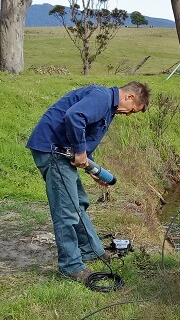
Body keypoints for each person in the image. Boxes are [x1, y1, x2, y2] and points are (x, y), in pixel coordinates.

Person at [26, 81, 150, 285]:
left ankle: (92, 251)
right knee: (66, 210)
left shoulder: (108, 107)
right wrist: (80, 151)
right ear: (129, 97)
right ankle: (70, 266)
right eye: (132, 111)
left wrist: (90, 166)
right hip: (54, 151)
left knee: (79, 203)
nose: (128, 115)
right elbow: (74, 117)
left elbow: (86, 134)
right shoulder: (102, 97)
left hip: (63, 153)